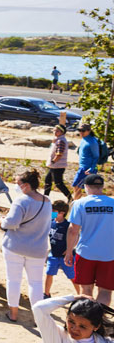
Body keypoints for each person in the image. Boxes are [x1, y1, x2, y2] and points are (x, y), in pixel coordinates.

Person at [0, 169, 52, 323]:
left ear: (26, 185)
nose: (16, 186)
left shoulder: (21, 200)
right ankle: (37, 318)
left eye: (18, 183)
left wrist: (1, 222)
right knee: (36, 283)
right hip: (38, 248)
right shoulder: (47, 201)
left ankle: (13, 313)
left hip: (15, 246)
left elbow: (12, 222)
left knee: (13, 280)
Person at [66, 174, 114, 306]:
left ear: (86, 187)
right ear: (102, 187)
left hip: (86, 252)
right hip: (109, 254)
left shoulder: (80, 203)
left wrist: (69, 251)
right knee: (105, 291)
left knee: (86, 290)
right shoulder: (113, 203)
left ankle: (86, 319)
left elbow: (73, 230)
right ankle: (98, 321)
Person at [45, 200, 77, 298]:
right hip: (53, 255)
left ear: (62, 213)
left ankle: (81, 295)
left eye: (54, 211)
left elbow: (76, 236)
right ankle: (46, 294)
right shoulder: (51, 222)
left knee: (72, 277)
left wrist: (69, 250)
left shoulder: (67, 225)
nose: (51, 213)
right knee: (49, 274)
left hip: (65, 256)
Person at [42, 124, 73, 200]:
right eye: (54, 130)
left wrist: (53, 161)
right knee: (48, 181)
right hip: (55, 166)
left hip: (57, 166)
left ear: (62, 132)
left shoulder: (61, 141)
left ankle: (70, 198)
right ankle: (45, 198)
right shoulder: (58, 140)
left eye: (57, 131)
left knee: (58, 183)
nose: (55, 132)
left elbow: (59, 154)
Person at [72, 123, 100, 199]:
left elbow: (96, 156)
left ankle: (76, 205)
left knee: (77, 187)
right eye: (79, 130)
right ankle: (77, 204)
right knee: (78, 187)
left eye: (83, 130)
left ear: (89, 131)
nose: (81, 132)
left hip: (87, 169)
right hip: (82, 167)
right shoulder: (84, 139)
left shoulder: (92, 142)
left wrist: (92, 169)